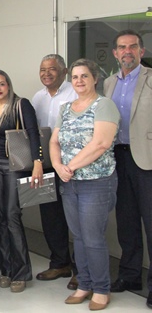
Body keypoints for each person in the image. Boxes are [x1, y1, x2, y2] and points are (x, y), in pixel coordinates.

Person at [50, 59, 119, 310]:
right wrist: (58, 166)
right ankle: (84, 283)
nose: (79, 81)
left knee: (93, 237)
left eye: (84, 76)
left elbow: (100, 143)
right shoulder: (66, 108)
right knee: (78, 237)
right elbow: (54, 141)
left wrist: (69, 167)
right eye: (75, 77)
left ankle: (101, 289)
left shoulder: (104, 105)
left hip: (96, 182)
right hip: (70, 183)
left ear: (95, 79)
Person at [0, 69, 43, 293]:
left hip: (14, 166)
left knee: (12, 216)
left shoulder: (21, 105)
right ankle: (6, 268)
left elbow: (33, 133)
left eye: (2, 84)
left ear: (8, 85)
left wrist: (38, 162)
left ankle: (21, 272)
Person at [103, 30, 152, 310]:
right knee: (127, 222)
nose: (127, 51)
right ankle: (130, 275)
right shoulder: (108, 83)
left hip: (147, 160)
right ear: (115, 53)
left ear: (141, 51)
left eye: (133, 46)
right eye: (122, 47)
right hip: (118, 158)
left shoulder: (150, 78)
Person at [31, 54, 77, 289]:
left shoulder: (74, 93)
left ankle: (81, 269)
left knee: (75, 218)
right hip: (46, 165)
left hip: (71, 165)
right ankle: (60, 263)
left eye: (52, 69)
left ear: (64, 71)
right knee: (51, 217)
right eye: (42, 69)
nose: (46, 73)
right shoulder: (37, 97)